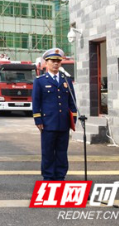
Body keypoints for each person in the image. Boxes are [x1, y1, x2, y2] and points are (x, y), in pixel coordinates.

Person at [32, 48, 77, 180]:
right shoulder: (40, 81)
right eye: (53, 61)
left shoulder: (66, 81)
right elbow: (36, 102)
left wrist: (73, 120)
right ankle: (48, 177)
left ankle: (60, 176)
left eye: (58, 61)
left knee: (62, 152)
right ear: (46, 62)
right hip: (48, 123)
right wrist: (38, 120)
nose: (56, 63)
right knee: (48, 152)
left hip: (63, 123)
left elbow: (72, 102)